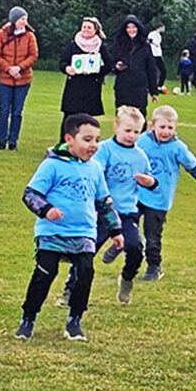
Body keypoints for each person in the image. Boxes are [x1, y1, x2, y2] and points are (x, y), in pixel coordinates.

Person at [16, 113, 123, 342]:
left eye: (97, 140)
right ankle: (28, 319)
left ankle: (75, 321)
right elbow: (30, 194)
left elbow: (104, 203)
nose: (93, 145)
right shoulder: (52, 165)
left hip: (83, 232)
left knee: (85, 273)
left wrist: (115, 230)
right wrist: (46, 210)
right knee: (45, 272)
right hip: (52, 232)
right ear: (69, 139)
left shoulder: (95, 169)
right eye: (87, 139)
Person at [59, 106, 157, 308]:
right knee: (86, 252)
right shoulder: (104, 150)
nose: (131, 136)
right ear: (116, 127)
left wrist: (150, 182)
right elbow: (93, 176)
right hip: (102, 212)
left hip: (127, 213)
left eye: (136, 132)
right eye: (127, 130)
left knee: (135, 249)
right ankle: (70, 289)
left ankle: (127, 279)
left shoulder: (140, 156)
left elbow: (151, 180)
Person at [132, 105, 196, 281]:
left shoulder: (178, 147)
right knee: (127, 224)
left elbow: (193, 166)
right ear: (152, 125)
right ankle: (129, 250)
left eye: (170, 127)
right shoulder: (142, 141)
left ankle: (154, 267)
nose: (166, 131)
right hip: (137, 194)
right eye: (162, 127)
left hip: (159, 199)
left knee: (152, 235)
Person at [0, 6, 39, 150]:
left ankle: (13, 141)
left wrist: (20, 67)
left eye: (25, 19)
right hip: (5, 79)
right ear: (14, 20)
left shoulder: (30, 36)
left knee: (17, 112)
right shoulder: (0, 35)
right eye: (21, 19)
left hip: (23, 79)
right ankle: (1, 140)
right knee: (3, 111)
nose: (24, 22)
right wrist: (9, 69)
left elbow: (33, 55)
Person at [59, 17, 112, 138]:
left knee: (87, 120)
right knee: (69, 118)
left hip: (91, 88)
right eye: (84, 27)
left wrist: (96, 71)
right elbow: (62, 62)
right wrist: (67, 68)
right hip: (74, 87)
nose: (86, 29)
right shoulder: (73, 45)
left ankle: (86, 142)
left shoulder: (100, 46)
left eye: (89, 27)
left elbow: (109, 65)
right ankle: (65, 144)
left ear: (95, 30)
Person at [111, 15, 158, 117]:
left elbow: (151, 68)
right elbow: (112, 62)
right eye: (128, 27)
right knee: (122, 115)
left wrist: (153, 90)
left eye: (133, 27)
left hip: (139, 86)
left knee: (139, 115)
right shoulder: (119, 44)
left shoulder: (145, 46)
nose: (131, 30)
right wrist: (116, 67)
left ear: (138, 28)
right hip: (123, 85)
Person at [148, 22, 166, 90]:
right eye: (163, 28)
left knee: (163, 71)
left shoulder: (159, 35)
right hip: (153, 54)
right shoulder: (152, 34)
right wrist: (154, 43)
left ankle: (159, 85)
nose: (164, 29)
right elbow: (149, 40)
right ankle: (151, 86)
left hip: (158, 55)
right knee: (153, 71)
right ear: (160, 27)